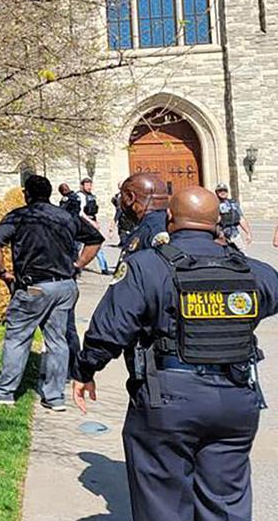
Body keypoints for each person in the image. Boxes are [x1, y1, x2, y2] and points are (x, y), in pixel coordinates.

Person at [72, 186, 278, 521]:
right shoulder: (251, 270)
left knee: (163, 503)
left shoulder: (146, 267)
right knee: (225, 503)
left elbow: (111, 329)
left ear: (170, 219)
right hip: (236, 398)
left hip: (169, 399)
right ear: (218, 222)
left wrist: (85, 370)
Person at [0, 174, 103, 412]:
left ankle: (4, 390)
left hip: (34, 287)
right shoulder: (66, 216)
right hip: (64, 286)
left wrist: (3, 272)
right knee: (57, 340)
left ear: (27, 194)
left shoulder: (19, 216)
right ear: (50, 193)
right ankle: (54, 397)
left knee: (18, 337)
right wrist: (79, 264)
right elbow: (95, 239)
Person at [117, 173, 170, 261]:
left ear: (130, 197)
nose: (120, 201)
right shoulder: (167, 221)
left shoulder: (152, 230)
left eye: (122, 196)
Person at [216, 183, 253, 248]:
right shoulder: (214, 204)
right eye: (220, 191)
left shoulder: (233, 203)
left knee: (241, 254)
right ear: (216, 192)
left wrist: (248, 233)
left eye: (225, 190)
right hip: (221, 235)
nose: (223, 192)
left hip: (234, 234)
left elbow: (241, 219)